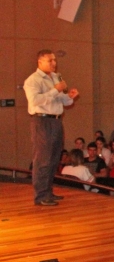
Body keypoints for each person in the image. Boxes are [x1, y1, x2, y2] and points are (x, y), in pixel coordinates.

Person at [24, 49, 79, 205]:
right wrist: (56, 90)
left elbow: (62, 100)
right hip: (42, 121)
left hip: (56, 121)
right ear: (40, 62)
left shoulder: (55, 77)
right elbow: (35, 100)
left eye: (54, 60)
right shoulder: (33, 80)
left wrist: (70, 97)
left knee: (54, 158)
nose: (54, 63)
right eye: (50, 60)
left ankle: (48, 192)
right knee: (43, 159)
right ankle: (40, 196)